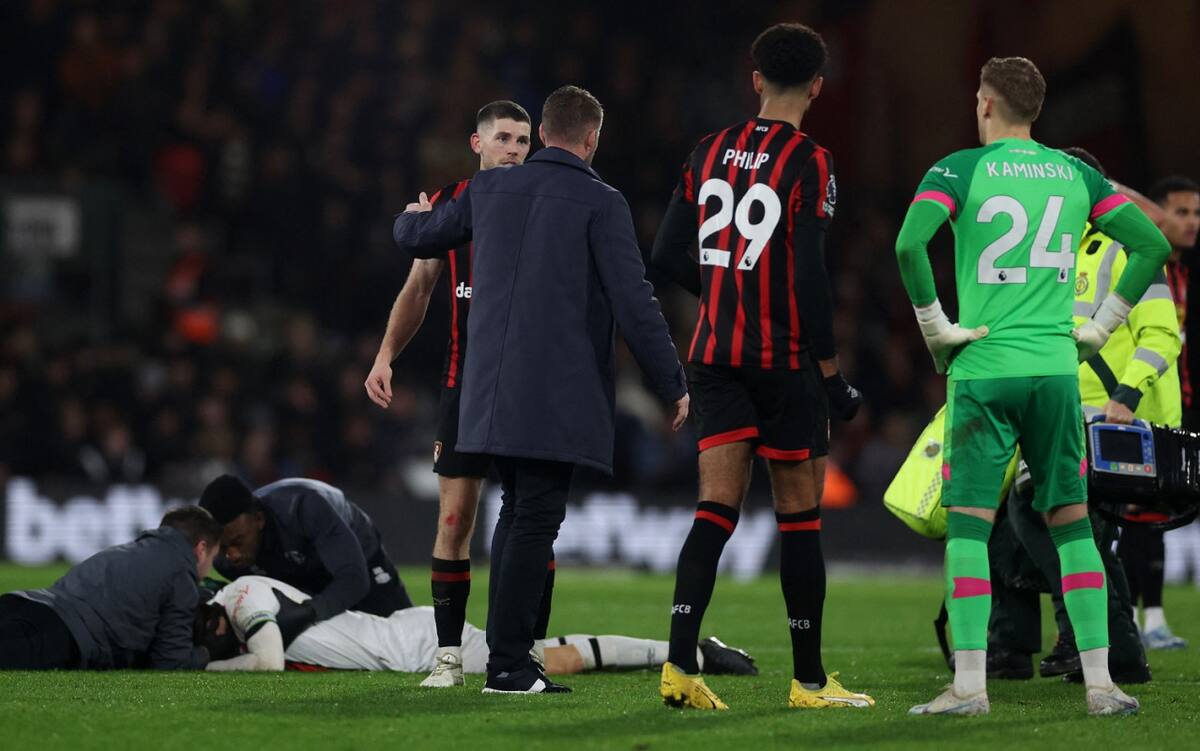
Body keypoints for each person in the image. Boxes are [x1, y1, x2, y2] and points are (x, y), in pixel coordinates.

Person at [895, 56, 1170, 716]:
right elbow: (1152, 244)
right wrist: (1100, 327)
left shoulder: (958, 169)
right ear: (1037, 110)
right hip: (1054, 373)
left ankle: (969, 686)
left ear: (986, 104)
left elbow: (910, 246)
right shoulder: (1078, 173)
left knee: (968, 524)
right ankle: (1102, 685)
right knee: (1073, 523)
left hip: (985, 369)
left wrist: (937, 328)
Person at [393, 85, 689, 694]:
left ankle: (510, 660)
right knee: (532, 521)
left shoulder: (486, 189)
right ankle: (507, 666)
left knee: (516, 519)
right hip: (555, 397)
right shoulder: (601, 202)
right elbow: (635, 303)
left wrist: (411, 216)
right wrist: (671, 382)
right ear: (591, 139)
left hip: (487, 394)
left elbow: (415, 239)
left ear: (543, 134)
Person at [650, 22, 869, 712]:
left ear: (754, 80)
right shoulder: (811, 160)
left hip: (714, 357)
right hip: (784, 361)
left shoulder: (707, 149)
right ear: (816, 87)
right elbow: (809, 276)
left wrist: (724, 290)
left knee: (715, 509)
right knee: (799, 517)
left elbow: (663, 258)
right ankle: (808, 681)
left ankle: (680, 665)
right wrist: (831, 375)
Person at [364, 100, 556, 688]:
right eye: (504, 138)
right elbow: (419, 288)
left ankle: (531, 650)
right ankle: (448, 657)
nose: (515, 150)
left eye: (524, 141)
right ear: (478, 145)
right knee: (454, 518)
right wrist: (385, 355)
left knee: (532, 523)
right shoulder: (451, 207)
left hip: (528, 389)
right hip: (465, 387)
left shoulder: (545, 205)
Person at [986, 148, 1169, 685]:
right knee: (1026, 526)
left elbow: (1162, 334)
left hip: (1108, 424)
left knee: (1042, 517)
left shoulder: (1124, 251)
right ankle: (1017, 647)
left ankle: (1097, 641)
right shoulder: (1045, 255)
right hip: (1048, 412)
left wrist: (1127, 398)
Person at [198, 574, 757, 679]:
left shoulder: (242, 594)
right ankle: (690, 650)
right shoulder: (241, 597)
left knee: (551, 657)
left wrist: (203, 665)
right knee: (545, 651)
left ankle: (693, 652)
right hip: (404, 638)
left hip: (415, 646)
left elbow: (268, 662)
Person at [1117, 175, 1199, 651]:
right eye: (1181, 212)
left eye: (1195, 213)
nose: (1189, 222)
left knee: (1156, 511)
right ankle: (1130, 617)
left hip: (1169, 405)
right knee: (1132, 512)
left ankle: (1153, 619)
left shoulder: (1178, 272)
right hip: (1135, 403)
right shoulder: (1139, 264)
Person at [198, 475, 412, 646]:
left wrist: (309, 612)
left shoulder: (304, 507)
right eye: (223, 547)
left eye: (238, 541)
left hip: (358, 556)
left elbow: (354, 579)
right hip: (298, 571)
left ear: (259, 519)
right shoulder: (224, 563)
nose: (232, 555)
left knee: (401, 631)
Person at [0, 506, 220, 670]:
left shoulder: (131, 550)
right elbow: (171, 662)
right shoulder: (181, 574)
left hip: (26, 602)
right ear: (201, 549)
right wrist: (209, 652)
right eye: (213, 557)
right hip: (61, 634)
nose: (209, 569)